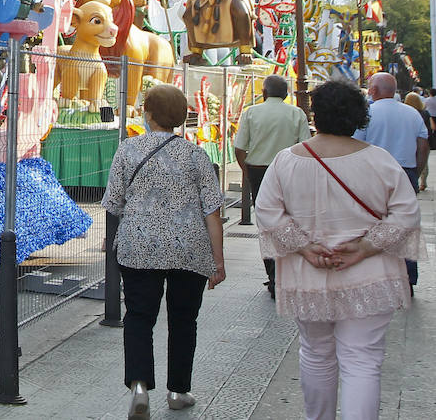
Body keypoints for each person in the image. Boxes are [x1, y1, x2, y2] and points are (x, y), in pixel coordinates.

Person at [255, 79, 423, 420]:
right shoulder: (380, 160)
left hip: (309, 275)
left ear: (315, 114)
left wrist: (304, 247)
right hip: (371, 275)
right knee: (363, 359)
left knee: (316, 353)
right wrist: (365, 246)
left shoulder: (286, 161)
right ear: (360, 116)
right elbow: (407, 213)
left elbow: (267, 211)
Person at [102, 83, 225, 416]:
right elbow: (212, 211)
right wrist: (218, 262)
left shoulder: (128, 150)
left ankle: (140, 387)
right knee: (184, 320)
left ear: (149, 113)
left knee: (139, 316)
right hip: (190, 248)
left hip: (139, 246)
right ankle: (177, 391)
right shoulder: (196, 154)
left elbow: (113, 203)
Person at [233, 74, 312, 297]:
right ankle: (288, 272)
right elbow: (305, 147)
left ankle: (273, 274)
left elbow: (240, 148)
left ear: (264, 93)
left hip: (259, 171)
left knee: (267, 224)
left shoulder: (251, 112)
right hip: (289, 171)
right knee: (289, 220)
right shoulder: (297, 113)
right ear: (286, 94)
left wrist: (246, 170)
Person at [355, 72, 427, 287]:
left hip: (373, 173)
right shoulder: (412, 113)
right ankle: (407, 276)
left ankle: (378, 274)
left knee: (373, 223)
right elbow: (423, 145)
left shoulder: (367, 113)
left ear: (374, 90)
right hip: (406, 171)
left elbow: (356, 146)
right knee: (405, 225)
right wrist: (416, 169)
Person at [404, 91, 434, 191]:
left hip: (409, 141)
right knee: (424, 161)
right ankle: (423, 182)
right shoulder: (425, 113)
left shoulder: (406, 113)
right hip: (424, 140)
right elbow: (432, 126)